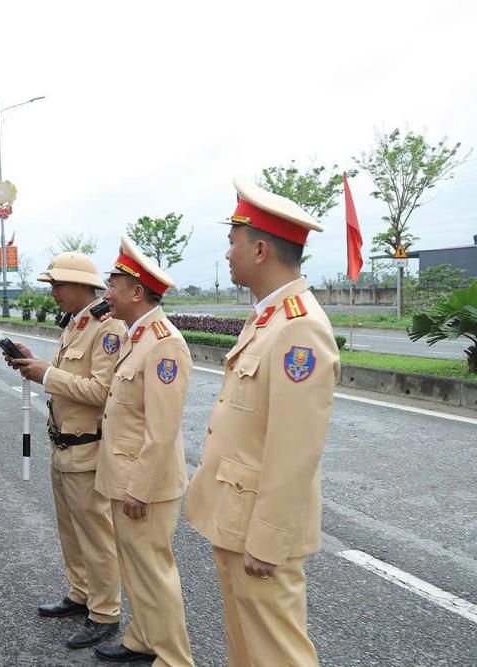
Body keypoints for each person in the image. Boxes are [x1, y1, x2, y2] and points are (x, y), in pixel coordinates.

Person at [185, 178, 340, 667]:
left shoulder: (299, 328)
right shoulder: (268, 317)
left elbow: (296, 450)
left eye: (232, 243)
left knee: (277, 652)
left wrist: (269, 539)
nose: (227, 253)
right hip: (237, 517)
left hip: (258, 528)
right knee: (247, 648)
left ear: (259, 249)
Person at [6, 252, 124, 649]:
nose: (53, 292)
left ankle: (105, 611)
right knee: (70, 530)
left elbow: (103, 392)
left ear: (80, 285)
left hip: (88, 449)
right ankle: (80, 593)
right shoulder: (78, 324)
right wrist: (37, 364)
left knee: (95, 534)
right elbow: (67, 377)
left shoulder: (107, 329)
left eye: (58, 284)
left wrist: (47, 374)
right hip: (63, 444)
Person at [92, 235, 195, 666]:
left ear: (136, 292)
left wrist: (141, 488)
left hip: (143, 484)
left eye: (113, 285)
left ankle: (173, 658)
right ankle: (142, 637)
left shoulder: (164, 343)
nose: (107, 294)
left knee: (155, 573)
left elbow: (163, 430)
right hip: (125, 477)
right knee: (133, 566)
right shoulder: (137, 336)